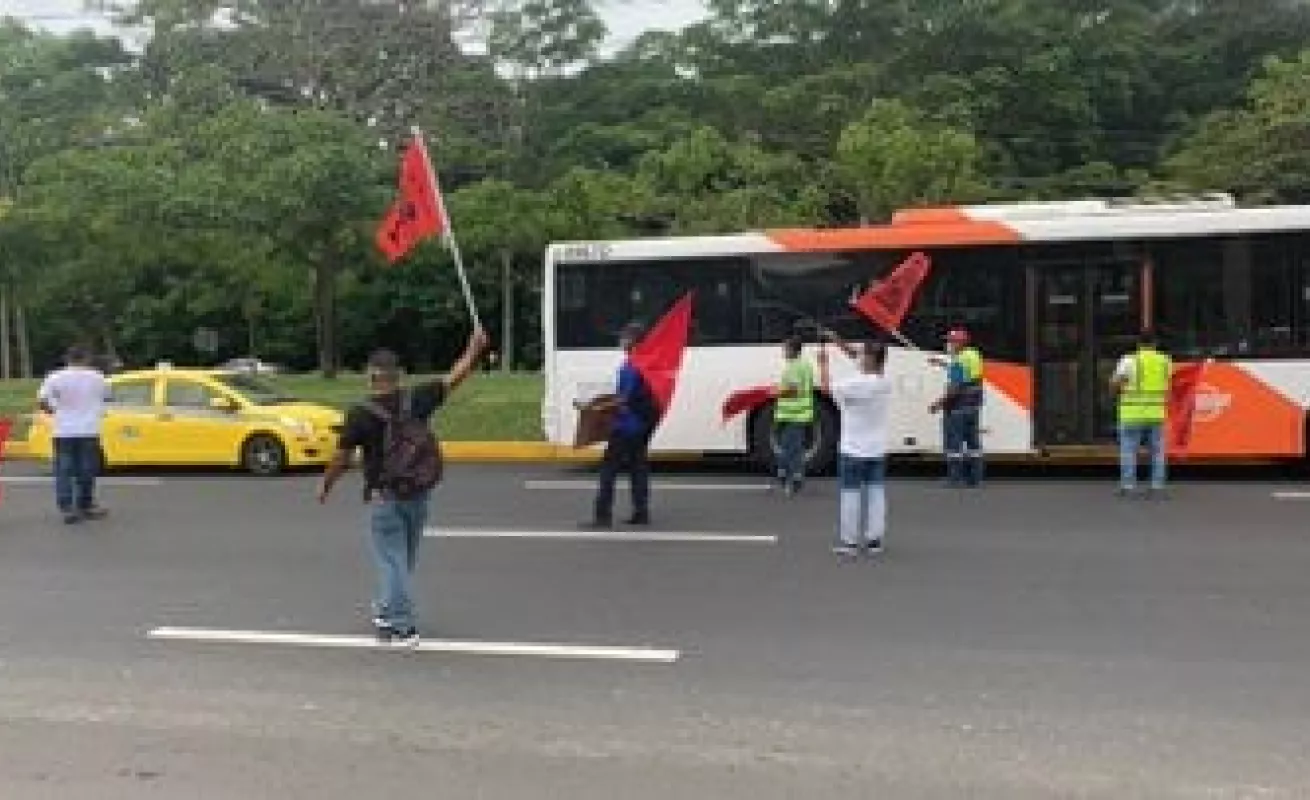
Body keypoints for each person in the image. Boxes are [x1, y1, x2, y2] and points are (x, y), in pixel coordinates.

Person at [317, 327, 491, 646]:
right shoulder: (419, 399)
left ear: (371, 375)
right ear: (398, 375)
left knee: (390, 561)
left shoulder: (360, 414)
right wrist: (473, 348)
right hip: (418, 493)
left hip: (385, 497)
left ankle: (401, 627)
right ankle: (387, 609)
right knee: (402, 560)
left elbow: (341, 459)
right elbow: (455, 377)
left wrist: (326, 486)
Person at [818, 331, 893, 559]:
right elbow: (857, 356)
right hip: (876, 450)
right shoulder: (884, 381)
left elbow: (825, 388)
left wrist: (823, 364)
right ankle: (874, 541)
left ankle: (850, 542)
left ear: (869, 359)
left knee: (850, 495)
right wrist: (838, 340)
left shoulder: (854, 384)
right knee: (876, 494)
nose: (860, 357)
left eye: (864, 354)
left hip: (853, 449)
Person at [583, 323, 656, 529]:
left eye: (624, 337)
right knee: (638, 468)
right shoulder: (646, 363)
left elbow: (623, 399)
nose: (621, 341)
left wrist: (598, 408)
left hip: (625, 425)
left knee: (608, 469)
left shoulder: (630, 367)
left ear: (633, 341)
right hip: (641, 424)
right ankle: (641, 512)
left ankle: (602, 516)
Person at [37, 344, 110, 525]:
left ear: (67, 358)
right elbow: (107, 398)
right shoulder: (98, 377)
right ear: (87, 358)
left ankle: (67, 508)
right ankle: (85, 504)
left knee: (64, 470)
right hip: (89, 430)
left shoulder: (55, 377)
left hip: (63, 430)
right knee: (87, 469)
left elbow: (43, 401)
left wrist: (55, 411)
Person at [1110, 331, 1173, 497]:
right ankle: (1157, 487)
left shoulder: (1129, 360)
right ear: (1155, 343)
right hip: (1157, 413)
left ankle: (1128, 486)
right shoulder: (1165, 361)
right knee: (1158, 452)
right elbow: (1168, 382)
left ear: (1138, 344)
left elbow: (1116, 383)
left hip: (1132, 413)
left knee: (1129, 451)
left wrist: (1116, 390)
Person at [929, 328, 985, 487]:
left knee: (954, 445)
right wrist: (942, 363)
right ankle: (975, 478)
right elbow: (966, 374)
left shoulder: (959, 361)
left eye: (950, 341)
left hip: (958, 408)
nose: (948, 344)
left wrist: (938, 404)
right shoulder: (974, 355)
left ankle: (954, 478)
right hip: (973, 407)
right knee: (973, 444)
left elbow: (955, 387)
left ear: (959, 344)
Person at [772, 333, 816, 496]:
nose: (783, 352)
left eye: (785, 349)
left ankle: (791, 478)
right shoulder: (806, 365)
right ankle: (787, 476)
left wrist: (776, 392)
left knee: (789, 449)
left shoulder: (793, 367)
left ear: (792, 350)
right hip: (801, 414)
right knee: (792, 448)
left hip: (792, 415)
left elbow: (794, 390)